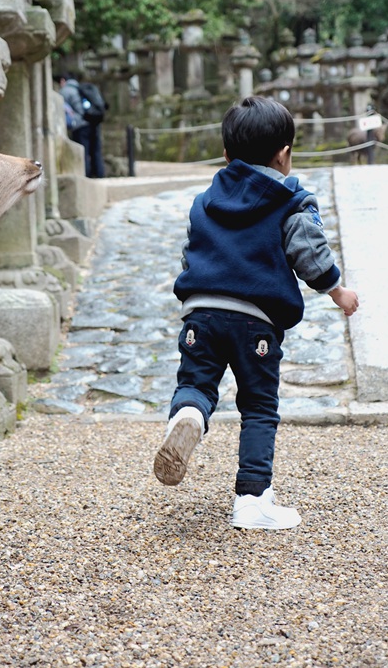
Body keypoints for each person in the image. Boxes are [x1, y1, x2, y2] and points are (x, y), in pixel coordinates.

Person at [153, 96, 359, 530]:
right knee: (259, 407)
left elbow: (191, 253)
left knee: (196, 384)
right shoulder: (291, 200)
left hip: (201, 314)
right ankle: (252, 500)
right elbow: (309, 254)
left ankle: (188, 414)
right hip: (255, 323)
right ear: (284, 154)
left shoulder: (205, 200)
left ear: (226, 154)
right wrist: (337, 290)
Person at [57, 73, 106, 178]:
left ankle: (85, 176)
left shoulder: (65, 91)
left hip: (80, 126)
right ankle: (99, 174)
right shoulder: (82, 89)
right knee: (96, 151)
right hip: (93, 123)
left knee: (83, 151)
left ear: (63, 81)